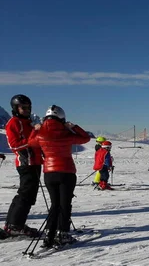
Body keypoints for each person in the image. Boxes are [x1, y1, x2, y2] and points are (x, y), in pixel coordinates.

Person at [28, 105, 90, 246]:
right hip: (67, 172)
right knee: (65, 204)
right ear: (62, 118)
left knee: (55, 204)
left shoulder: (40, 133)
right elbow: (85, 138)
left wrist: (34, 129)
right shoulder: (66, 132)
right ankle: (63, 233)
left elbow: (31, 143)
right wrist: (73, 126)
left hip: (49, 173)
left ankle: (49, 234)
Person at [3, 94, 43, 238]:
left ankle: (12, 224)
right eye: (23, 107)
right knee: (26, 195)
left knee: (25, 194)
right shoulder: (14, 122)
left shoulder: (27, 122)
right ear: (15, 108)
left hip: (35, 162)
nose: (26, 110)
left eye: (28, 107)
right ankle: (15, 225)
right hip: (26, 163)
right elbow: (14, 144)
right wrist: (35, 138)